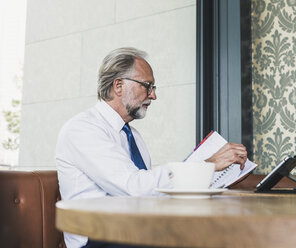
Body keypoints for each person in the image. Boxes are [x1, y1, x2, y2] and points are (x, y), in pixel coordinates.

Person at [56, 47, 247, 248]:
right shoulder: (83, 129)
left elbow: (149, 193)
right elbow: (134, 188)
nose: (153, 95)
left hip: (135, 231)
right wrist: (208, 165)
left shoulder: (133, 136)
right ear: (118, 85)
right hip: (98, 238)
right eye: (147, 86)